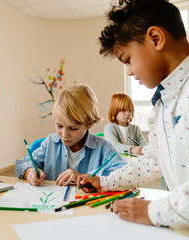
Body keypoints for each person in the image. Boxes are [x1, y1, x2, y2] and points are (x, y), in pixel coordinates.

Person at [78, 0, 189, 229]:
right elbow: (152, 160)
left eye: (128, 60)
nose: (129, 72)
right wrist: (105, 182)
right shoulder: (164, 102)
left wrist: (152, 211)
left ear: (155, 39)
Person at [15, 84, 126, 186]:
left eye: (73, 128)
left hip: (86, 205)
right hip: (52, 203)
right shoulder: (49, 143)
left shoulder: (103, 147)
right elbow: (22, 165)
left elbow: (124, 173)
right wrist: (29, 172)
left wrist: (83, 178)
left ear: (89, 124)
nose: (64, 134)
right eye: (59, 126)